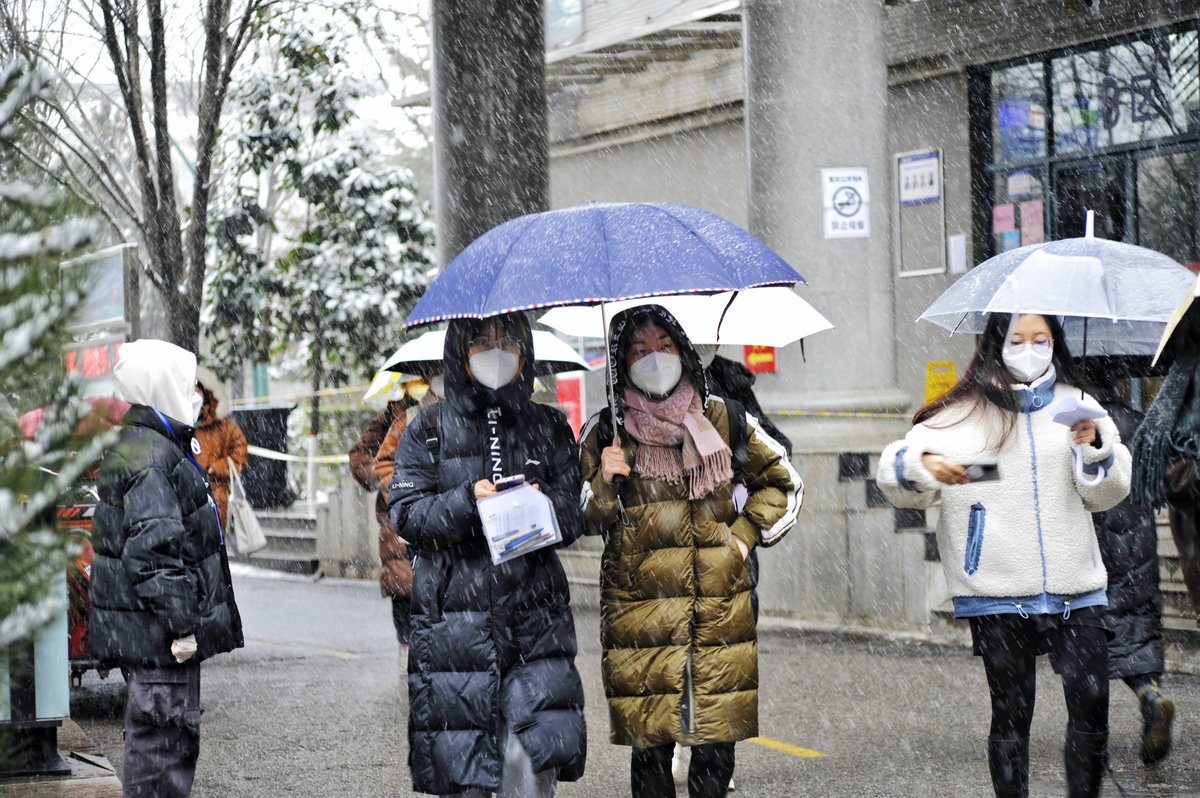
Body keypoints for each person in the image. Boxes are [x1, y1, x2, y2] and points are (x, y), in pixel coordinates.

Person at [877, 313, 1131, 798]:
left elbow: (1109, 493)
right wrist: (924, 465)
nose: (1030, 348)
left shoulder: (1078, 406)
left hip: (1076, 584)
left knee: (1092, 701)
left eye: (1041, 338)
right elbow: (896, 471)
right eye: (1018, 338)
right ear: (998, 342)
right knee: (1013, 713)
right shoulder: (964, 413)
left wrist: (1096, 449)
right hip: (996, 588)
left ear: (1055, 342)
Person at [579, 305, 802, 798]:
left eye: (664, 347)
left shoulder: (724, 419)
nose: (653, 359)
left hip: (716, 614)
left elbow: (784, 484)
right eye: (638, 351)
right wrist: (605, 481)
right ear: (621, 365)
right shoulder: (604, 432)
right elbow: (584, 519)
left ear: (683, 352)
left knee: (714, 758)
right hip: (642, 618)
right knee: (651, 758)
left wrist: (740, 540)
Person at [388, 313, 586, 797]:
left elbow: (572, 515)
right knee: (464, 773)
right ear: (460, 351)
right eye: (481, 340)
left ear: (525, 352)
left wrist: (533, 506)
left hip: (534, 625)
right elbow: (407, 515)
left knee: (530, 762)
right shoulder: (428, 429)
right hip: (455, 628)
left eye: (508, 341)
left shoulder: (549, 426)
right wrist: (466, 502)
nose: (495, 351)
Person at [89, 339, 244, 798]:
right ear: (160, 388)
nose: (193, 394)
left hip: (153, 636)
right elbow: (153, 550)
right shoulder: (154, 455)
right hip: (161, 640)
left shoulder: (152, 445)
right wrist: (182, 625)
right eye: (185, 384)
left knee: (165, 748)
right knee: (162, 755)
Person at [1084, 359, 1174, 765]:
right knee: (1136, 630)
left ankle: (1090, 737)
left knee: (1088, 642)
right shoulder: (1138, 423)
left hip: (1093, 547)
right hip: (1138, 548)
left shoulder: (1077, 431)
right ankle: (1150, 696)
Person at [349, 389, 419, 647]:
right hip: (397, 515)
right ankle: (408, 650)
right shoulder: (394, 414)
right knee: (402, 583)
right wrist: (388, 482)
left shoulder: (458, 407)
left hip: (436, 510)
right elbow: (359, 455)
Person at [192, 365, 249, 534]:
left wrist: (216, 468)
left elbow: (240, 453)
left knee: (214, 545)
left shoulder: (225, 427)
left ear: (207, 395)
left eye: (197, 391)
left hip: (216, 496)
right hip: (186, 497)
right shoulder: (179, 425)